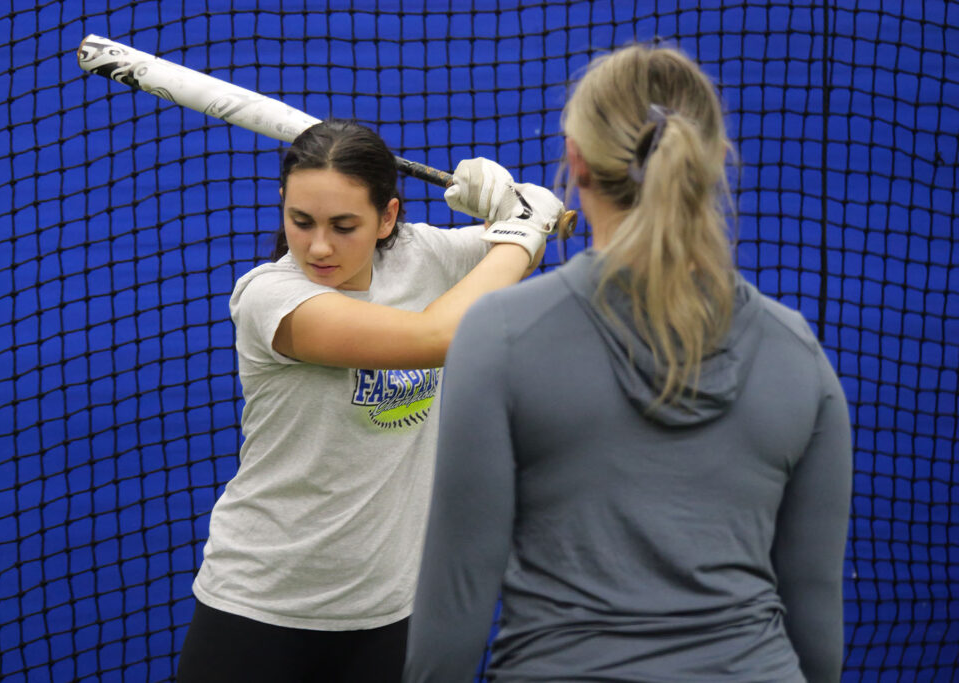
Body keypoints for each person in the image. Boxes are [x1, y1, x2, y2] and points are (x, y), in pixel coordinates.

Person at [404, 44, 853, 682]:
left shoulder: (500, 336)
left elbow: (453, 613)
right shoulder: (798, 353)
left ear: (575, 161)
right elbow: (816, 625)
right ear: (714, 159)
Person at [175, 118, 564, 682]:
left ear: (387, 218)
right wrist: (525, 225)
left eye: (345, 224)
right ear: (282, 202)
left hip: (390, 611)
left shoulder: (421, 255)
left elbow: (509, 256)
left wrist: (515, 212)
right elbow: (437, 337)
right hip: (261, 609)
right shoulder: (272, 298)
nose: (320, 245)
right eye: (301, 221)